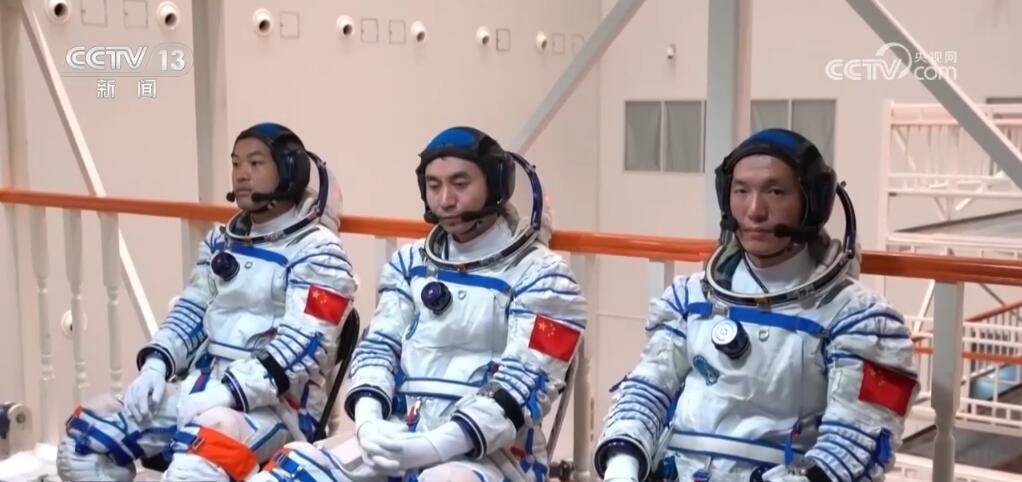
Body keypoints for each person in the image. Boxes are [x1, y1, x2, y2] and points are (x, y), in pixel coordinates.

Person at [252, 126, 587, 482]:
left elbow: (526, 382)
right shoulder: (409, 264)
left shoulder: (544, 277)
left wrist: (438, 445)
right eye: (433, 185)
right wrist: (369, 420)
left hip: (495, 456)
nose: (445, 200)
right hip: (400, 432)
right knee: (292, 472)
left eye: (460, 184)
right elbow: (378, 347)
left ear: (496, 184)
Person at [593, 128, 920, 482]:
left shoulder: (861, 320)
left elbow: (854, 444)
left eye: (775, 192)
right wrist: (622, 466)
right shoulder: (689, 299)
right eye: (741, 191)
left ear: (813, 202)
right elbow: (647, 389)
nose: (754, 211)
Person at [55, 123, 358, 481]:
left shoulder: (319, 253)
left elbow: (305, 346)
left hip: (275, 407)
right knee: (83, 439)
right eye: (236, 163)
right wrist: (156, 365)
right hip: (200, 388)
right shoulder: (222, 242)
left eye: (256, 163)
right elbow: (191, 311)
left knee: (194, 468)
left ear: (289, 171)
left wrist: (230, 392)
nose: (241, 174)